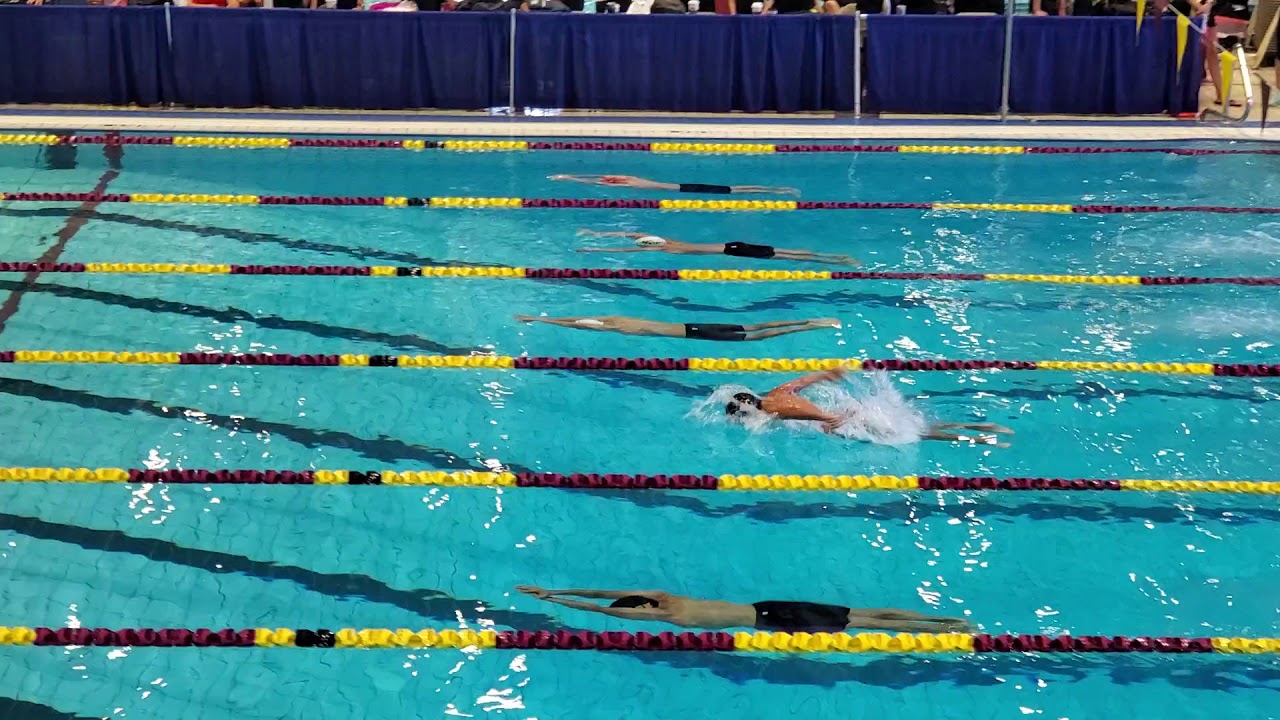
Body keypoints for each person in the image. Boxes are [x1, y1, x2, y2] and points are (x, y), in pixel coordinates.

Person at [725, 367, 1014, 445]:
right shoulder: (775, 393)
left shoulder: (773, 410)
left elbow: (798, 411)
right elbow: (800, 382)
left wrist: (828, 418)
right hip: (850, 413)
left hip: (848, 418)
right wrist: (826, 375)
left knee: (915, 434)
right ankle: (979, 428)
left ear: (748, 408)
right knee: (916, 427)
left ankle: (978, 436)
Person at [515, 586, 972, 633]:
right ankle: (938, 619)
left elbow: (604, 611)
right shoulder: (669, 598)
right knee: (861, 611)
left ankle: (940, 630)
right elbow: (607, 592)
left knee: (862, 622)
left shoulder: (666, 618)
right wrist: (553, 590)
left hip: (772, 621)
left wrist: (558, 601)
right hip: (768, 604)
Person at [576, 229, 859, 266]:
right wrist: (596, 234)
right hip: (733, 243)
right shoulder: (668, 241)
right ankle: (835, 257)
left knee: (786, 255)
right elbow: (632, 236)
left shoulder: (663, 249)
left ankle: (836, 261)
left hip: (733, 251)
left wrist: (593, 249)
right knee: (784, 251)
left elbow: (629, 248)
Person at [515, 315, 840, 341]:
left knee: (754, 338)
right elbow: (579, 319)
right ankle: (810, 322)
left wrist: (541, 320)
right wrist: (540, 318)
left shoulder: (615, 330)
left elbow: (579, 325)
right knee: (753, 326)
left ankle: (810, 327)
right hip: (691, 324)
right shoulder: (616, 319)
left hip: (693, 334)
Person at [549, 174, 800, 197]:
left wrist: (570, 178)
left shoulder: (629, 184)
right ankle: (778, 190)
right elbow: (596, 177)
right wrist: (570, 176)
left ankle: (779, 190)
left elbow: (594, 178)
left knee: (734, 190)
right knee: (734, 188)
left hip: (682, 189)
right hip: (683, 186)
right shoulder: (630, 181)